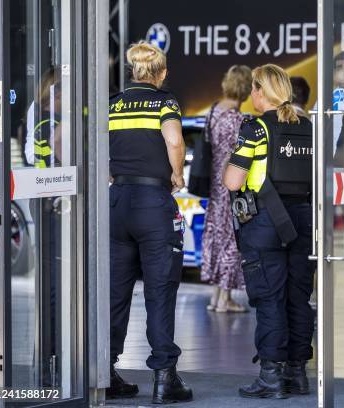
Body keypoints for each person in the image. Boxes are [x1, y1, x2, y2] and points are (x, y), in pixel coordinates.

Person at [107, 41, 192, 404]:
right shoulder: (164, 101)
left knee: (114, 292)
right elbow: (174, 141)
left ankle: (104, 371)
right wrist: (177, 174)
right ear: (162, 72)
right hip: (152, 204)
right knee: (159, 289)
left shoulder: (114, 104)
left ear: (132, 71)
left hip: (117, 202)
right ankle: (164, 378)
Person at [223, 64, 315, 399]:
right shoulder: (308, 126)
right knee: (298, 298)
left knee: (270, 299)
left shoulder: (256, 129)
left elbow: (232, 181)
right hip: (304, 221)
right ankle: (297, 373)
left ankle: (271, 376)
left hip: (267, 224)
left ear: (262, 92)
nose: (251, 94)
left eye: (254, 89)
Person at [201, 65, 252, 313]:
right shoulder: (238, 120)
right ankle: (225, 298)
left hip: (214, 186)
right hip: (232, 185)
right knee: (232, 239)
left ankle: (215, 296)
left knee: (216, 236)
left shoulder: (213, 111)